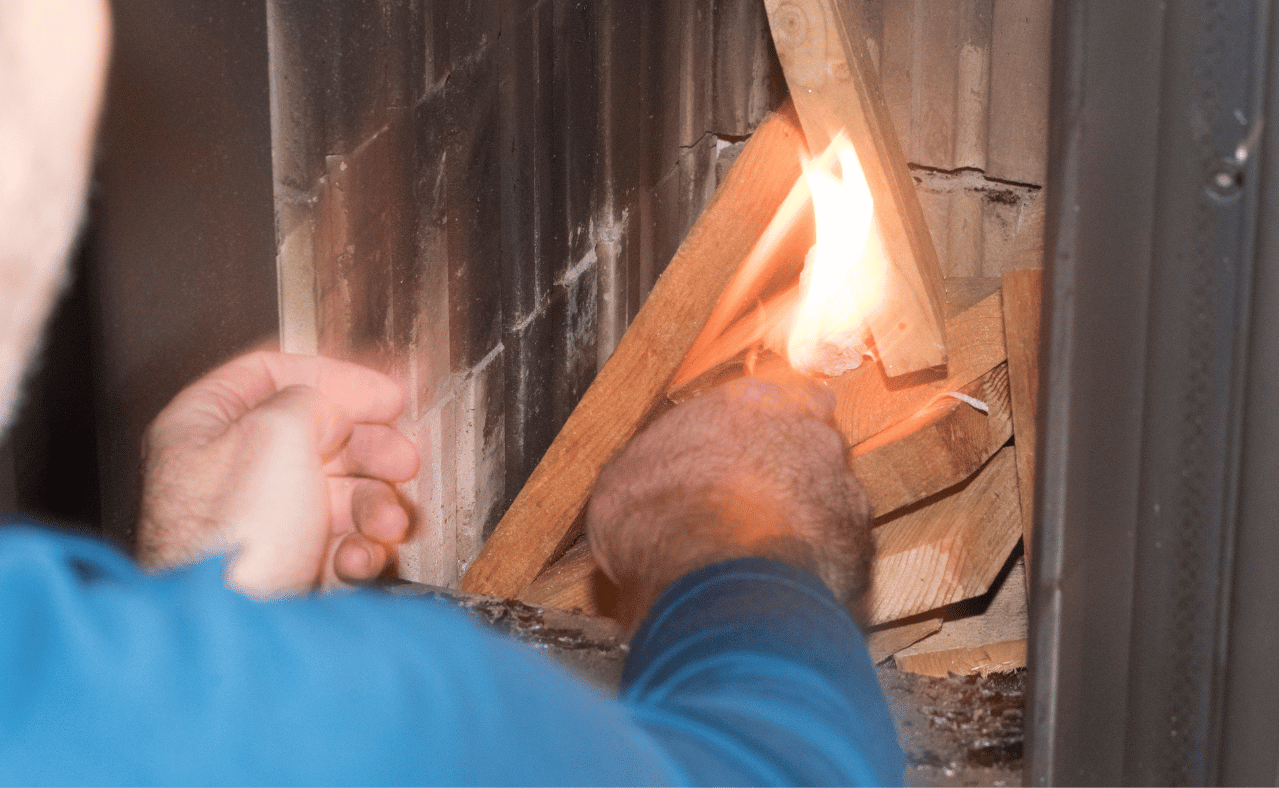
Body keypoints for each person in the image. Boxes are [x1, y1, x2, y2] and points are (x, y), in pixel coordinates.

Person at [0, 0, 903, 784]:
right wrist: (726, 524)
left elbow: (162, 732)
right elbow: (781, 770)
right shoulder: (416, 709)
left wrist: (211, 594)